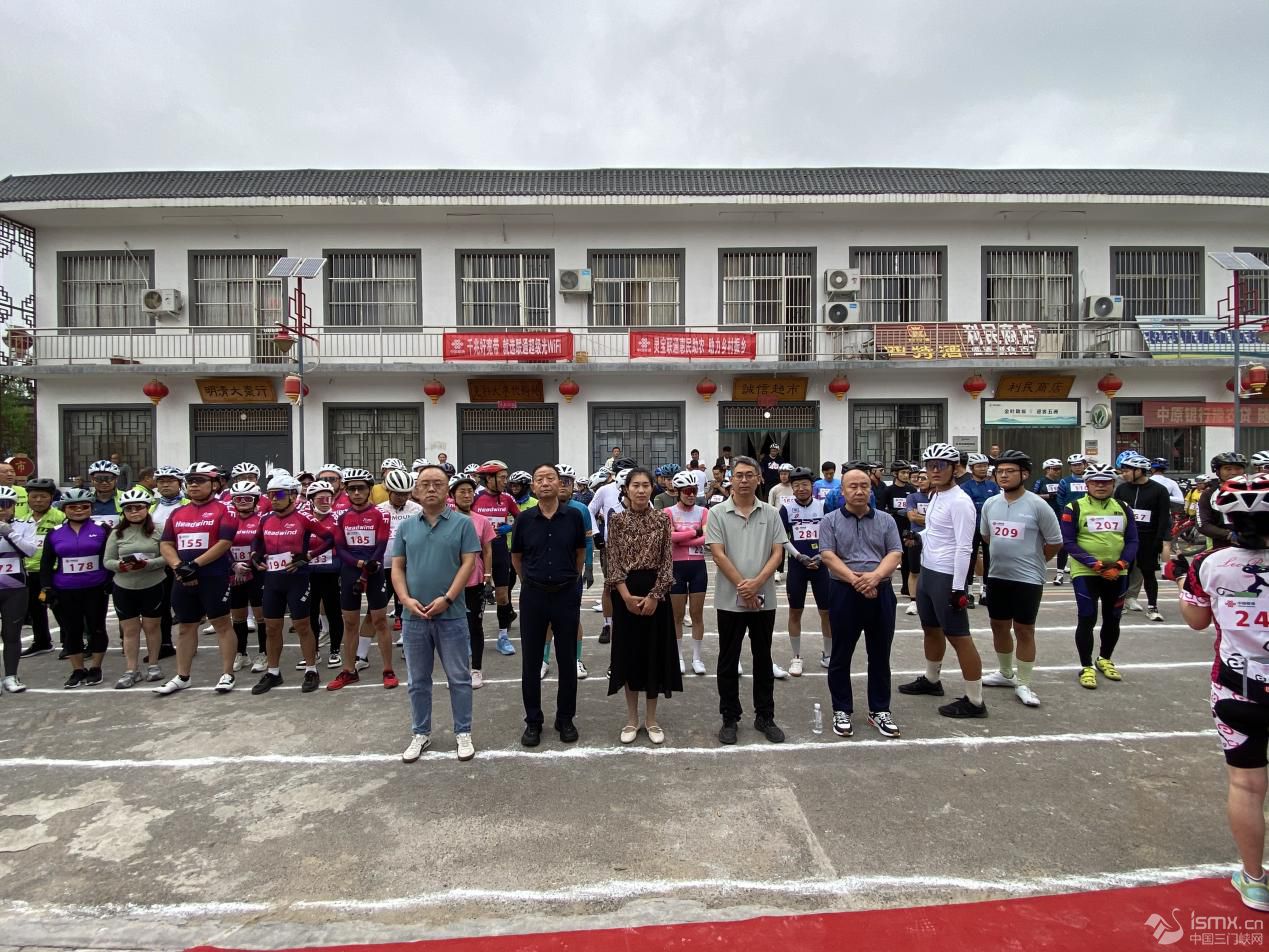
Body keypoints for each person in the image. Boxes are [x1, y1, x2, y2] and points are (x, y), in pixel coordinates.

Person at [1177, 474, 1269, 912]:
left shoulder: (1208, 563)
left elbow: (1196, 621)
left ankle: (1254, 880)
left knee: (1246, 785)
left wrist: (1183, 587)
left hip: (1238, 688)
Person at [393, 464, 480, 764]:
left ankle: (463, 732)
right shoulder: (406, 527)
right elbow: (397, 567)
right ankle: (421, 732)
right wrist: (405, 600)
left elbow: (468, 563)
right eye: (425, 483)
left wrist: (448, 598)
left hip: (452, 614)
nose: (431, 488)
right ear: (416, 490)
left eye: (438, 483)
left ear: (447, 490)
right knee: (418, 680)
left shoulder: (463, 524)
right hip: (414, 617)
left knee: (459, 678)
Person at [898, 443, 986, 718]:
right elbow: (935, 531)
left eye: (941, 465)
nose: (934, 470)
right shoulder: (936, 495)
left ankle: (975, 701)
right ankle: (932, 679)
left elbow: (964, 547)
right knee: (931, 628)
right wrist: (918, 537)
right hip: (928, 570)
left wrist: (959, 588)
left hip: (948, 575)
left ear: (955, 468)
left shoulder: (960, 502)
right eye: (930, 465)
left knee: (959, 637)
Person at [706, 455, 787, 745]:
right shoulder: (717, 513)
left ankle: (765, 716)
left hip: (764, 599)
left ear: (759, 478)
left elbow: (777, 553)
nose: (743, 480)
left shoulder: (771, 513)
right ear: (731, 479)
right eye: (738, 475)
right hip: (730, 599)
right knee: (728, 660)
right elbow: (718, 554)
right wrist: (744, 586)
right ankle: (730, 718)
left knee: (763, 658)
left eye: (749, 475)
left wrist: (756, 584)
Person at [818, 465, 903, 738]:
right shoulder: (829, 521)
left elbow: (895, 553)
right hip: (844, 592)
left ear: (871, 490)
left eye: (864, 486)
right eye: (852, 486)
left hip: (881, 592)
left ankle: (879, 710)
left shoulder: (886, 520)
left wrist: (875, 577)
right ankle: (842, 709)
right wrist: (857, 581)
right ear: (842, 491)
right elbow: (828, 555)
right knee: (841, 654)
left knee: (880, 654)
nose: (859, 491)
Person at [979, 451, 1062, 708]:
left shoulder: (1038, 505)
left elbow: (1055, 542)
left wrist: (1035, 560)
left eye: (1010, 471)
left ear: (1024, 474)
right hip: (997, 576)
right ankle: (1005, 673)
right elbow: (987, 537)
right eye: (999, 471)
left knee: (1024, 629)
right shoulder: (990, 504)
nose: (1003, 475)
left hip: (1028, 578)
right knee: (998, 625)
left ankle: (1024, 682)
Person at [511, 464, 587, 747]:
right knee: (531, 662)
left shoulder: (574, 517)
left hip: (566, 595)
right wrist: (529, 581)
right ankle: (533, 721)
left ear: (560, 484)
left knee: (567, 660)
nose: (545, 483)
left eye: (550, 478)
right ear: (533, 486)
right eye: (539, 479)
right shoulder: (524, 519)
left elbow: (580, 553)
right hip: (534, 596)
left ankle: (565, 718)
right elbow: (517, 557)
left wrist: (571, 581)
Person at [605, 467, 682, 745]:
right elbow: (612, 560)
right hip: (625, 592)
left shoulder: (662, 519)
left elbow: (667, 562)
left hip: (655, 594)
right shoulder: (617, 520)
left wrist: (654, 596)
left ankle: (651, 719)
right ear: (626, 489)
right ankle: (631, 719)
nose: (640, 490)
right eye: (635, 485)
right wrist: (625, 597)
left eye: (645, 485)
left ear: (652, 488)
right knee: (629, 654)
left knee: (653, 654)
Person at [155, 463, 239, 695]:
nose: (193, 485)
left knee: (222, 623)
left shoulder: (225, 509)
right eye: (190, 481)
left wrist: (194, 565)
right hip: (183, 577)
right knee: (185, 627)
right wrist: (178, 566)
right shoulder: (178, 513)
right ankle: (183, 676)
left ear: (215, 484)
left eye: (200, 481)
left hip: (213, 576)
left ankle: (227, 673)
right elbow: (166, 543)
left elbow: (224, 542)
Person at [249, 472, 332, 695]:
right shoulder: (266, 518)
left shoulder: (304, 518)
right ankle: (273, 672)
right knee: (272, 627)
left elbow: (330, 538)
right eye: (270, 495)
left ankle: (311, 669)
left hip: (297, 579)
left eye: (279, 495)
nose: (273, 499)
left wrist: (308, 556)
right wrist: (255, 556)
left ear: (293, 496)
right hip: (272, 580)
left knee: (303, 625)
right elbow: (257, 540)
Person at [1061, 463, 1138, 689]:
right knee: (1087, 616)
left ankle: (1105, 658)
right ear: (1087, 484)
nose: (1100, 486)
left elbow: (1133, 540)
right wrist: (1094, 564)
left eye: (1105, 482)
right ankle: (1086, 666)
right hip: (1087, 571)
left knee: (1113, 617)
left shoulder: (1123, 507)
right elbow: (1068, 542)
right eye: (1095, 482)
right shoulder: (1074, 507)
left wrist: (1121, 564)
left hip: (1117, 571)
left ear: (1113, 484)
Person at [326, 468, 396, 691]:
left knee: (380, 621)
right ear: (346, 490)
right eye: (352, 489)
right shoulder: (340, 516)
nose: (356, 493)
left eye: (361, 488)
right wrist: (358, 564)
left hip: (375, 570)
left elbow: (381, 544)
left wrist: (369, 565)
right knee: (350, 623)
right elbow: (340, 547)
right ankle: (349, 670)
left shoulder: (381, 514)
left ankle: (388, 669)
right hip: (350, 571)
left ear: (369, 490)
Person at [40, 487, 111, 688]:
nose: (78, 510)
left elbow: (109, 556)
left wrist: (110, 580)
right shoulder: (55, 533)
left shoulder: (102, 529)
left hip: (96, 588)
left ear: (91, 508)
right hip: (65, 589)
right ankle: (78, 669)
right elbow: (46, 563)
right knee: (72, 630)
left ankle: (96, 667)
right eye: (73, 507)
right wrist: (46, 588)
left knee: (97, 628)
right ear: (64, 509)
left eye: (84, 506)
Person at [104, 488, 167, 688]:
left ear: (147, 508)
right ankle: (131, 669)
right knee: (130, 630)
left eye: (138, 508)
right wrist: (120, 566)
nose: (134, 512)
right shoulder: (117, 533)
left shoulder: (159, 530)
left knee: (152, 626)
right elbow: (107, 560)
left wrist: (148, 564)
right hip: (124, 586)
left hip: (152, 584)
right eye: (129, 509)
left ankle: (154, 664)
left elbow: (168, 557)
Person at [779, 467, 830, 676]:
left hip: (821, 565)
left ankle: (828, 654)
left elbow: (831, 534)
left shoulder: (823, 506)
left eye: (805, 485)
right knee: (795, 611)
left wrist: (821, 556)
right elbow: (782, 537)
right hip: (797, 566)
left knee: (826, 612)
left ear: (812, 487)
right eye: (797, 485)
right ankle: (796, 656)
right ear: (792, 488)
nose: (801, 488)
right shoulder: (786, 509)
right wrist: (799, 556)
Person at [447, 473, 495, 689]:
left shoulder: (481, 521)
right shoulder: (444, 520)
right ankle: (456, 671)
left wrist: (488, 578)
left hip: (474, 581)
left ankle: (476, 669)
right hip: (450, 582)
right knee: (451, 628)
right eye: (462, 492)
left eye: (470, 492)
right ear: (452, 495)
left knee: (475, 626)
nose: (467, 495)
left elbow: (487, 550)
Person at [548, 464, 594, 681]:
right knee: (547, 619)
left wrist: (589, 567)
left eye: (568, 481)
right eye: (560, 480)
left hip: (572, 573)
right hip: (547, 573)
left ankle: (576, 659)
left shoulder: (581, 509)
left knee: (573, 617)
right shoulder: (543, 507)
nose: (564, 485)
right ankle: (544, 660)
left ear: (573, 484)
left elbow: (588, 540)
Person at [1116, 454, 1173, 621]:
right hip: (1125, 537)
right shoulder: (1122, 489)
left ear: (1140, 470)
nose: (1123, 474)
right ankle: (1120, 602)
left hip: (1148, 537)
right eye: (1123, 471)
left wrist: (1159, 539)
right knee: (1122, 571)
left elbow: (1163, 517)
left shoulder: (1159, 490)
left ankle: (1152, 607)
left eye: (1127, 471)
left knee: (1148, 573)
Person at [473, 460, 520, 656]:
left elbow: (521, 518)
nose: (505, 481)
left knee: (502, 596)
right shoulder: (475, 497)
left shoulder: (507, 498)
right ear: (489, 479)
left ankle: (503, 637)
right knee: (475, 597)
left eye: (505, 477)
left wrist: (511, 527)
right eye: (501, 477)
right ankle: (473, 637)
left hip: (500, 549)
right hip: (477, 551)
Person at [667, 470, 709, 676]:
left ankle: (697, 658)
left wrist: (682, 537)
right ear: (678, 492)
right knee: (677, 616)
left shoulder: (703, 511)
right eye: (687, 491)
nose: (692, 495)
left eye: (694, 490)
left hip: (698, 567)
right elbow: (669, 537)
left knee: (697, 614)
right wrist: (694, 532)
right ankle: (678, 657)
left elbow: (707, 537)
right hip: (676, 567)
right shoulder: (668, 512)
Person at [18, 478, 63, 659]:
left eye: (43, 496)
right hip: (29, 571)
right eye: (34, 496)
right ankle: (42, 642)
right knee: (35, 609)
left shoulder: (60, 518)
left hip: (53, 570)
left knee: (60, 608)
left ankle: (71, 642)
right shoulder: (22, 521)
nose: (38, 500)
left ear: (51, 497)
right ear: (28, 498)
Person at [225, 481, 266, 675]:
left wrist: (250, 565)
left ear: (256, 500)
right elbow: (221, 545)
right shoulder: (227, 520)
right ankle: (241, 653)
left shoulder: (262, 519)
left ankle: (264, 653)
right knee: (238, 615)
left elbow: (267, 544)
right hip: (235, 572)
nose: (242, 502)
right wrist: (233, 565)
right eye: (238, 499)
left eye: (247, 498)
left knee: (260, 615)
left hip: (257, 572)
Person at [303, 480, 343, 670]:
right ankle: (314, 651)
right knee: (310, 614)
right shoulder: (304, 519)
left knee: (333, 611)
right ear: (311, 500)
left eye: (329, 498)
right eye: (321, 499)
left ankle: (335, 650)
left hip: (330, 573)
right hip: (308, 573)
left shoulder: (337, 519)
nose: (326, 502)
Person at [0, 486, 36, 693]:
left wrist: (10, 533)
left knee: (11, 633)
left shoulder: (24, 525)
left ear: (14, 506)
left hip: (15, 588)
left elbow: (30, 551)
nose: (2, 509)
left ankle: (11, 676)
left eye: (6, 505)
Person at [378, 468, 422, 634]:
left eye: (405, 494)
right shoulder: (379, 510)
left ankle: (406, 637)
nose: (402, 498)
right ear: (389, 491)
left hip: (409, 565)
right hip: (384, 565)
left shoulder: (417, 510)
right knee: (377, 608)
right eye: (398, 494)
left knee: (406, 604)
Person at [961, 453, 1000, 607]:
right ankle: (969, 592)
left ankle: (985, 592)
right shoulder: (965, 487)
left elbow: (997, 504)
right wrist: (983, 507)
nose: (983, 469)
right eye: (979, 466)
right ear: (971, 468)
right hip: (971, 527)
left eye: (985, 466)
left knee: (989, 559)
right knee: (970, 560)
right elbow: (968, 507)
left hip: (990, 528)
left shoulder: (993, 486)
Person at [879, 461, 918, 609]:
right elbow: (881, 509)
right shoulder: (888, 491)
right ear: (895, 474)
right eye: (903, 473)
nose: (906, 475)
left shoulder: (912, 489)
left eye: (907, 473)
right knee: (894, 556)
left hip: (909, 528)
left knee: (908, 558)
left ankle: (906, 586)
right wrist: (894, 512)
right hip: (894, 528)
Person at [1199, 453, 1250, 549]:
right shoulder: (1208, 494)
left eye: (1238, 468)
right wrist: (1229, 535)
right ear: (1218, 471)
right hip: (1220, 548)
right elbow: (1202, 525)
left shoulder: (1256, 491)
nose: (1234, 472)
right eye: (1228, 469)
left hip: (1254, 547)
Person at [1054, 454, 1090, 586]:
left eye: (1080, 464)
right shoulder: (1064, 482)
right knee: (1064, 545)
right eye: (1074, 465)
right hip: (1069, 517)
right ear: (1070, 467)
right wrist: (1065, 514)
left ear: (1084, 465)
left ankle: (1077, 572)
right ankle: (1059, 574)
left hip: (1087, 518)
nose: (1077, 467)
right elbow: (1060, 499)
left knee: (1083, 545)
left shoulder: (1089, 480)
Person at [1033, 459, 1066, 583]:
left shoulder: (1061, 482)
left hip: (1059, 513)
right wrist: (1049, 496)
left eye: (1059, 469)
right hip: (1044, 513)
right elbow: (1033, 495)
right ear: (1047, 469)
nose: (1058, 471)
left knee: (1060, 541)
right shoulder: (1041, 481)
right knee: (1041, 540)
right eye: (1055, 469)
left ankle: (1060, 569)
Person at [87, 459, 123, 529]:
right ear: (92, 480)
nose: (104, 483)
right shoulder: (85, 499)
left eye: (108, 479)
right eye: (99, 479)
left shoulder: (125, 497)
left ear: (116, 480)